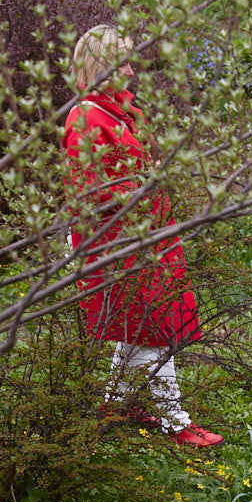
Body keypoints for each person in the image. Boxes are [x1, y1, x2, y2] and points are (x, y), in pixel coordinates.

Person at [63, 24, 223, 448]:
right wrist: (140, 188)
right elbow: (86, 191)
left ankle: (114, 406)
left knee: (141, 324)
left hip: (146, 233)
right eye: (123, 64)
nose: (131, 72)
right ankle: (175, 422)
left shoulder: (120, 112)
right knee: (153, 324)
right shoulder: (85, 117)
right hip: (119, 240)